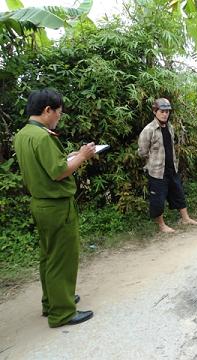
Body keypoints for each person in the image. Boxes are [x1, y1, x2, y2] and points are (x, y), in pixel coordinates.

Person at [14, 89, 95, 328]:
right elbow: (59, 172)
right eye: (58, 113)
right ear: (47, 110)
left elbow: (48, 164)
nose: (59, 117)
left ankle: (52, 301)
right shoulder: (43, 137)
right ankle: (62, 312)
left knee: (48, 256)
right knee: (62, 258)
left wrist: (70, 156)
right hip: (57, 206)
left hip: (40, 204)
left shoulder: (24, 134)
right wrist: (83, 155)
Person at [138, 98, 197, 233]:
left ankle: (185, 218)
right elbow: (142, 152)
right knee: (158, 199)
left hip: (171, 168)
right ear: (155, 111)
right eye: (162, 111)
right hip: (156, 171)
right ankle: (161, 226)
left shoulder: (170, 127)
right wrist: (152, 162)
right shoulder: (149, 130)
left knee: (178, 193)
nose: (165, 114)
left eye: (167, 112)